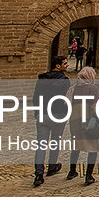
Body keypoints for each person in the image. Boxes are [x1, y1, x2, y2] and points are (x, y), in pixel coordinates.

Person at [33, 55, 71, 187]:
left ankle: (38, 174)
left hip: (43, 115)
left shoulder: (42, 79)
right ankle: (52, 166)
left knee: (41, 145)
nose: (67, 65)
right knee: (55, 141)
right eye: (65, 64)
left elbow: (36, 97)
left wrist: (37, 113)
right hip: (59, 115)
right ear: (57, 66)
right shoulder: (65, 81)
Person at [66, 67, 99, 186]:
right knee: (93, 147)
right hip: (89, 122)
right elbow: (95, 106)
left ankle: (72, 171)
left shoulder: (73, 89)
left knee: (76, 147)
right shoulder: (92, 88)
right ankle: (89, 175)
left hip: (75, 122)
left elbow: (66, 104)